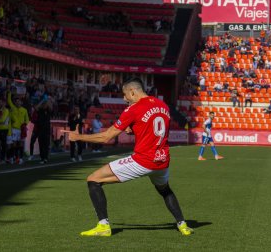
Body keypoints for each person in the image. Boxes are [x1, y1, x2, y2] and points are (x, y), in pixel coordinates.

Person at [68, 78, 193, 237]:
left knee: (93, 179)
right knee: (165, 190)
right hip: (162, 161)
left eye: (125, 94)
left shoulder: (133, 109)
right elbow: (156, 130)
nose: (124, 98)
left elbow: (106, 137)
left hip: (143, 161)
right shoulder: (163, 105)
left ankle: (103, 226)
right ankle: (183, 224)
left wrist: (79, 137)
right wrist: (134, 130)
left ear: (133, 91)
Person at [7, 91, 29, 165]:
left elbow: (27, 119)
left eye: (19, 101)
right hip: (14, 129)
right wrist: (10, 92)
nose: (17, 102)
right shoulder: (13, 108)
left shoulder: (24, 110)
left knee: (21, 144)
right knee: (14, 144)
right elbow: (9, 101)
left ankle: (20, 158)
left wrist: (25, 124)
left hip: (21, 130)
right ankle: (13, 157)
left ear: (21, 103)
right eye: (16, 102)